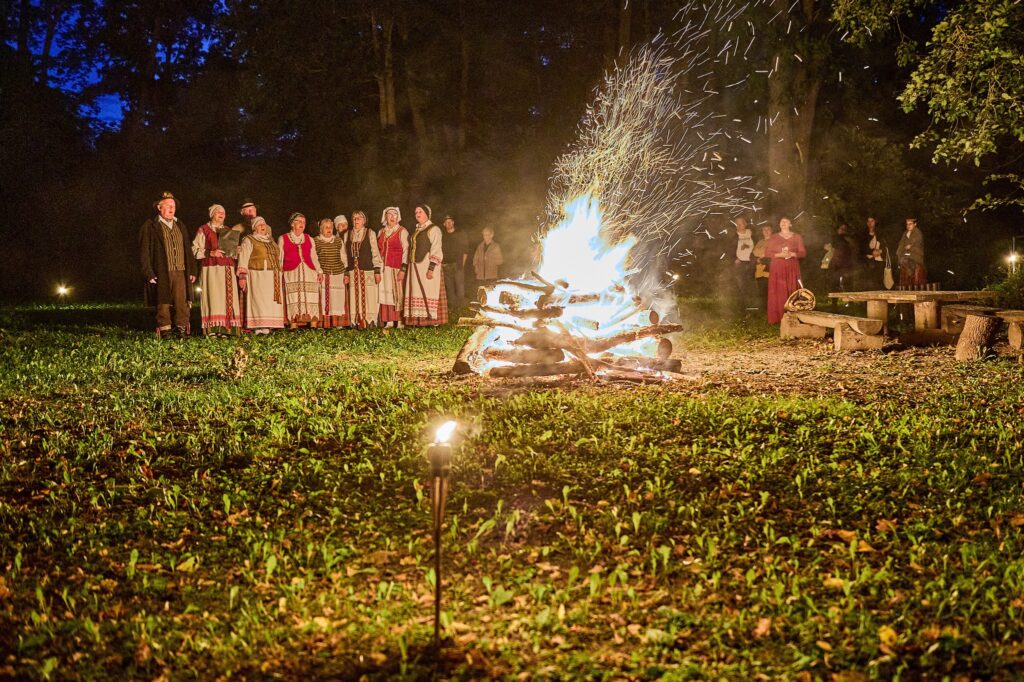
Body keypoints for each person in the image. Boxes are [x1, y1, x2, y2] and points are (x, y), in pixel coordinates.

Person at [139, 191, 197, 338]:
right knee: (162, 301)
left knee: (182, 302)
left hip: (181, 270)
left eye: (174, 206)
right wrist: (148, 272)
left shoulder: (180, 225)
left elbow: (187, 249)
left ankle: (181, 329)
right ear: (159, 207)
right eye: (168, 206)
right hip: (162, 270)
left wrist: (192, 270)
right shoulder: (151, 226)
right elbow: (144, 251)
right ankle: (165, 330)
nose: (172, 209)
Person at [191, 204, 242, 336]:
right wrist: (210, 253)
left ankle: (226, 329)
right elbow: (194, 249)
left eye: (223, 212)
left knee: (226, 298)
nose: (221, 214)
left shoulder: (228, 230)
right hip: (211, 268)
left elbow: (231, 253)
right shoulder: (204, 229)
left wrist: (236, 251)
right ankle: (212, 329)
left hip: (227, 268)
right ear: (212, 214)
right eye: (218, 212)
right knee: (213, 297)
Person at [237, 216, 284, 334]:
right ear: (254, 228)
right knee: (259, 301)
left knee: (269, 302)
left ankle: (267, 327)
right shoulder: (249, 240)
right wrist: (242, 276)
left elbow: (279, 257)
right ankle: (258, 327)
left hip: (272, 276)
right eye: (259, 225)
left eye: (264, 224)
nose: (263, 226)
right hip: (257, 275)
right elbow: (243, 257)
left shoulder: (271, 241)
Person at [404, 204, 448, 326]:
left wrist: (431, 268)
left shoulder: (434, 229)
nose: (417, 214)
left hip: (426, 265)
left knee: (430, 291)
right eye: (416, 212)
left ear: (427, 214)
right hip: (415, 266)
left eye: (420, 212)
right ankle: (418, 321)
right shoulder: (418, 229)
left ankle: (434, 320)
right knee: (417, 291)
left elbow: (436, 249)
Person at [278, 212, 323, 328]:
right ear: (292, 224)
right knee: (293, 296)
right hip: (291, 272)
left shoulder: (309, 239)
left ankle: (313, 323)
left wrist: (319, 271)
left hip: (309, 271)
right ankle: (293, 324)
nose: (302, 224)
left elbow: (314, 257)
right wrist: (279, 273)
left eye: (304, 222)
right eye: (299, 221)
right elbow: (280, 258)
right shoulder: (283, 238)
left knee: (310, 296)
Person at [344, 210, 383, 328]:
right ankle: (356, 321)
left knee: (369, 295)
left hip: (367, 269)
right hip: (353, 270)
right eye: (354, 218)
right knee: (354, 295)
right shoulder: (347, 234)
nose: (356, 220)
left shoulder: (370, 233)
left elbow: (375, 252)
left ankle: (370, 321)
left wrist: (377, 270)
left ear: (364, 221)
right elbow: (345, 254)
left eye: (359, 218)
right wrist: (346, 271)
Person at [764, 216, 806, 324]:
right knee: (779, 290)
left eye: (786, 221)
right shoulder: (773, 237)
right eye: (781, 221)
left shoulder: (797, 237)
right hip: (777, 267)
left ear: (790, 224)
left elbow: (803, 252)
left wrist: (793, 254)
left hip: (792, 267)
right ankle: (778, 316)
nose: (783, 223)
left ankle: (794, 315)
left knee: (792, 289)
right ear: (779, 224)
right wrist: (779, 254)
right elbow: (767, 253)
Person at [314, 217, 348, 328]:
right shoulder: (315, 241)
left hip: (338, 273)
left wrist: (345, 272)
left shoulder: (338, 240)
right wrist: (319, 271)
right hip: (323, 273)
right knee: (324, 299)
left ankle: (338, 324)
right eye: (326, 228)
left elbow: (344, 257)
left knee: (337, 298)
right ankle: (324, 323)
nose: (329, 230)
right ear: (320, 230)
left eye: (331, 227)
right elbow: (314, 258)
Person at [377, 207, 408, 328]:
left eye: (395, 215)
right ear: (385, 217)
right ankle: (389, 321)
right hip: (384, 268)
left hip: (396, 267)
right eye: (389, 215)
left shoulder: (402, 231)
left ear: (398, 217)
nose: (392, 217)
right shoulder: (381, 232)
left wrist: (403, 269)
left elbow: (406, 251)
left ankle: (399, 321)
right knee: (385, 295)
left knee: (397, 294)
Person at [441, 214, 468, 310]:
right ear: (444, 224)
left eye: (450, 221)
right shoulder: (442, 236)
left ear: (453, 222)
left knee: (460, 287)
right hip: (446, 265)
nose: (448, 223)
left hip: (458, 264)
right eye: (446, 222)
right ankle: (452, 308)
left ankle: (462, 309)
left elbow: (465, 250)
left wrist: (462, 265)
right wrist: (441, 263)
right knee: (449, 288)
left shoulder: (460, 234)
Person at [732, 217, 755, 311]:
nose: (740, 226)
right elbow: (728, 249)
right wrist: (734, 258)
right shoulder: (734, 235)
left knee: (751, 284)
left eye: (741, 223)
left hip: (750, 262)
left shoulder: (751, 233)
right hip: (740, 263)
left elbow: (757, 245)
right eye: (737, 224)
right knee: (741, 285)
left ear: (745, 224)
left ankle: (752, 306)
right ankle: (742, 307)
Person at [896, 215, 926, 287]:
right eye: (907, 224)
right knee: (902, 259)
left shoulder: (917, 232)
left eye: (910, 224)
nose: (908, 226)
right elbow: (901, 245)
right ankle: (908, 272)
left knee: (906, 259)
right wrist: (898, 253)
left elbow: (912, 244)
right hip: (907, 254)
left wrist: (910, 247)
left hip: (916, 255)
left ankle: (910, 271)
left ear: (915, 224)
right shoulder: (905, 233)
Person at [828, 223, 856, 292]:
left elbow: (852, 249)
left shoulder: (848, 239)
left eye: (845, 229)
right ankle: (834, 302)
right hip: (836, 264)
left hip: (847, 263)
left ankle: (850, 301)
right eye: (841, 228)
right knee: (835, 283)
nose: (843, 230)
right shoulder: (835, 238)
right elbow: (833, 246)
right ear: (838, 229)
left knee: (848, 283)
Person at [751, 223, 772, 305]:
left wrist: (764, 253)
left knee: (770, 288)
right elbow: (755, 252)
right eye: (764, 230)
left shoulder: (774, 240)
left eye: (768, 229)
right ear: (762, 232)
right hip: (759, 268)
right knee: (761, 287)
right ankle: (764, 307)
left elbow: (772, 253)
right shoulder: (760, 241)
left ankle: (772, 306)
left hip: (769, 267)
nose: (766, 231)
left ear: (771, 231)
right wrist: (763, 253)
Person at [862, 216, 885, 289]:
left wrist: (880, 251)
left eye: (872, 221)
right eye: (868, 221)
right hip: (868, 262)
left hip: (879, 261)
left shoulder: (880, 233)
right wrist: (872, 252)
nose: (870, 223)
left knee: (878, 282)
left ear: (875, 222)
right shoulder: (864, 235)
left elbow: (886, 245)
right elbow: (862, 248)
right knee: (868, 283)